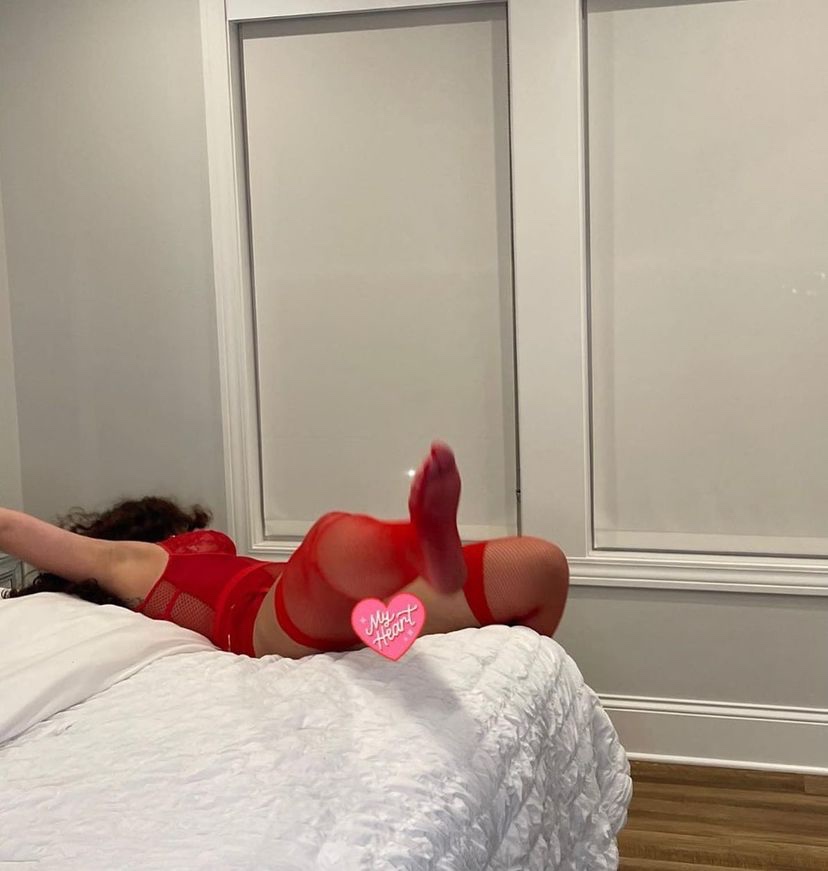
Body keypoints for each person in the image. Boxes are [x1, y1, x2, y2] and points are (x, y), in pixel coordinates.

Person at [1, 443, 569, 658]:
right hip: (256, 625)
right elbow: (13, 530)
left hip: (317, 606)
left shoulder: (153, 566)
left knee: (539, 565)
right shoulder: (126, 562)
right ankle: (417, 548)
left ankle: (420, 563)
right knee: (334, 544)